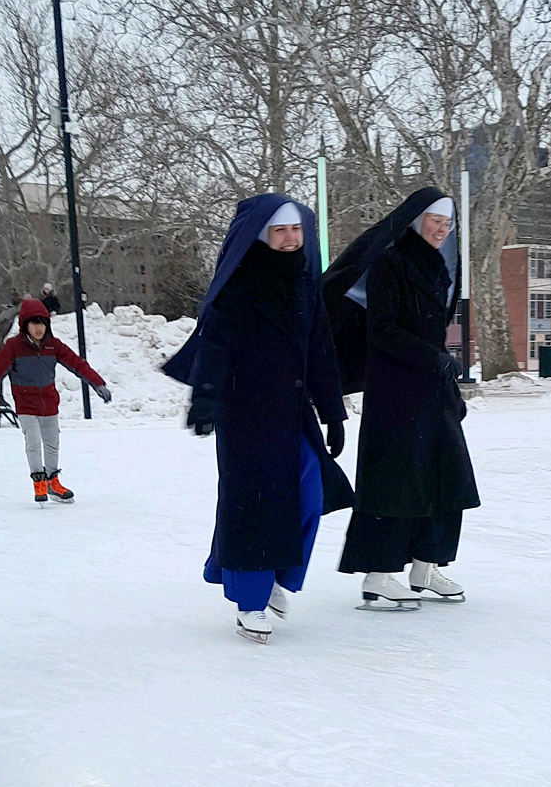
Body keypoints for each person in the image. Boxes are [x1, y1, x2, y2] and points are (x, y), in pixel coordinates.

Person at [163, 195, 354, 644]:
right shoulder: (240, 284)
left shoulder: (304, 284)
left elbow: (320, 353)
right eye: (280, 231)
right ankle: (250, 602)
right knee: (253, 507)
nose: (289, 239)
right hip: (245, 415)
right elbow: (215, 347)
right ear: (262, 235)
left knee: (309, 494)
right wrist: (204, 401)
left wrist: (333, 413)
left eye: (295, 230)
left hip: (292, 414)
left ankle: (278, 577)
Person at [323, 188, 480, 610]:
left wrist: (447, 384)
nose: (442, 230)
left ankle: (427, 564)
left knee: (447, 477)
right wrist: (433, 359)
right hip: (395, 393)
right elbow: (382, 331)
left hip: (433, 390)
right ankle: (378, 574)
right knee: (394, 483)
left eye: (447, 224)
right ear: (416, 220)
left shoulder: (440, 266)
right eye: (435, 221)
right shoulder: (388, 263)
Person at [0, 298, 112, 504]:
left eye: (42, 323)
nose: (39, 328)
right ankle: (39, 482)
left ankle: (52, 482)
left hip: (49, 402)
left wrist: (98, 384)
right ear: (25, 325)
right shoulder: (13, 347)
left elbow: (77, 364)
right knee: (33, 442)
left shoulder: (53, 345)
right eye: (34, 323)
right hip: (26, 404)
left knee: (52, 444)